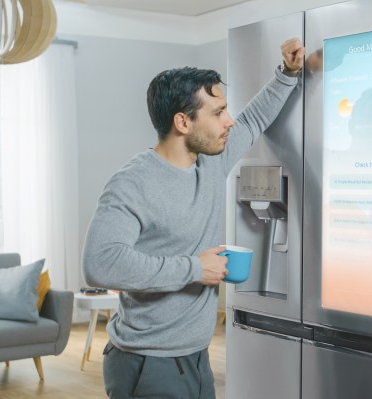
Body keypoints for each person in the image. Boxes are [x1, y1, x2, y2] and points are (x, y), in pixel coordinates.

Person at [81, 38, 305, 399]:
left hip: (195, 358)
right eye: (217, 113)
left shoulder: (211, 162)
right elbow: (99, 264)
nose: (228, 120)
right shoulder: (132, 183)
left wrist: (289, 72)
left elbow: (254, 119)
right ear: (183, 122)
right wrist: (194, 269)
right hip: (146, 364)